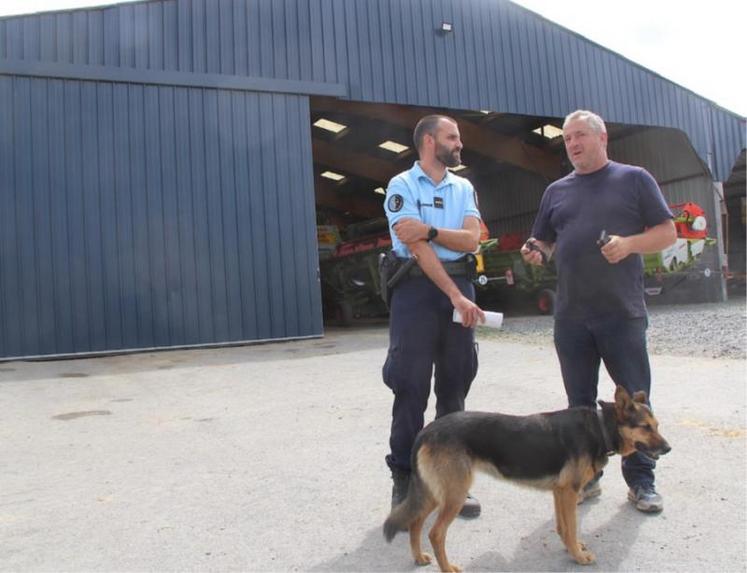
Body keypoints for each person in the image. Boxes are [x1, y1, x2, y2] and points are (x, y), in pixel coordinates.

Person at [521, 109, 677, 513]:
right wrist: (536, 251)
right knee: (579, 406)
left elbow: (667, 232)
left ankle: (642, 482)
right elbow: (545, 239)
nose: (572, 144)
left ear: (601, 137)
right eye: (567, 138)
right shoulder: (556, 190)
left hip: (620, 313)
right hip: (571, 315)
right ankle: (588, 477)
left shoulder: (634, 179)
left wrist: (628, 245)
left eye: (579, 136)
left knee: (636, 403)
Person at [382, 114, 486, 517]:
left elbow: (472, 239)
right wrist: (455, 294)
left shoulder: (464, 187)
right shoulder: (401, 185)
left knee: (455, 387)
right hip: (416, 293)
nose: (459, 144)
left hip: (460, 290)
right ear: (429, 141)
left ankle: (450, 482)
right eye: (452, 137)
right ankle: (405, 479)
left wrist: (430, 230)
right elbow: (416, 249)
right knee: (410, 387)